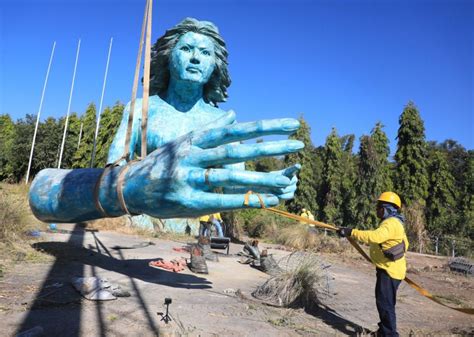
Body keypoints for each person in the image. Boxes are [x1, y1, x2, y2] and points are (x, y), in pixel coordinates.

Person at [29, 18, 302, 223]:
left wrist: (273, 183)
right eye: (186, 49)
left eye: (205, 53)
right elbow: (113, 171)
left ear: (214, 67)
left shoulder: (221, 122)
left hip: (196, 227)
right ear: (168, 57)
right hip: (138, 220)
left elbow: (233, 187)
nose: (195, 57)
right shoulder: (141, 109)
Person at [337, 192, 409, 337]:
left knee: (385, 305)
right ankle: (384, 331)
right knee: (385, 303)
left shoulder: (391, 223)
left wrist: (352, 232)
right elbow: (405, 244)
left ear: (389, 208)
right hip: (390, 270)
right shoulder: (394, 222)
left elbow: (374, 237)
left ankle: (389, 334)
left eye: (380, 207)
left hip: (389, 272)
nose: (377, 210)